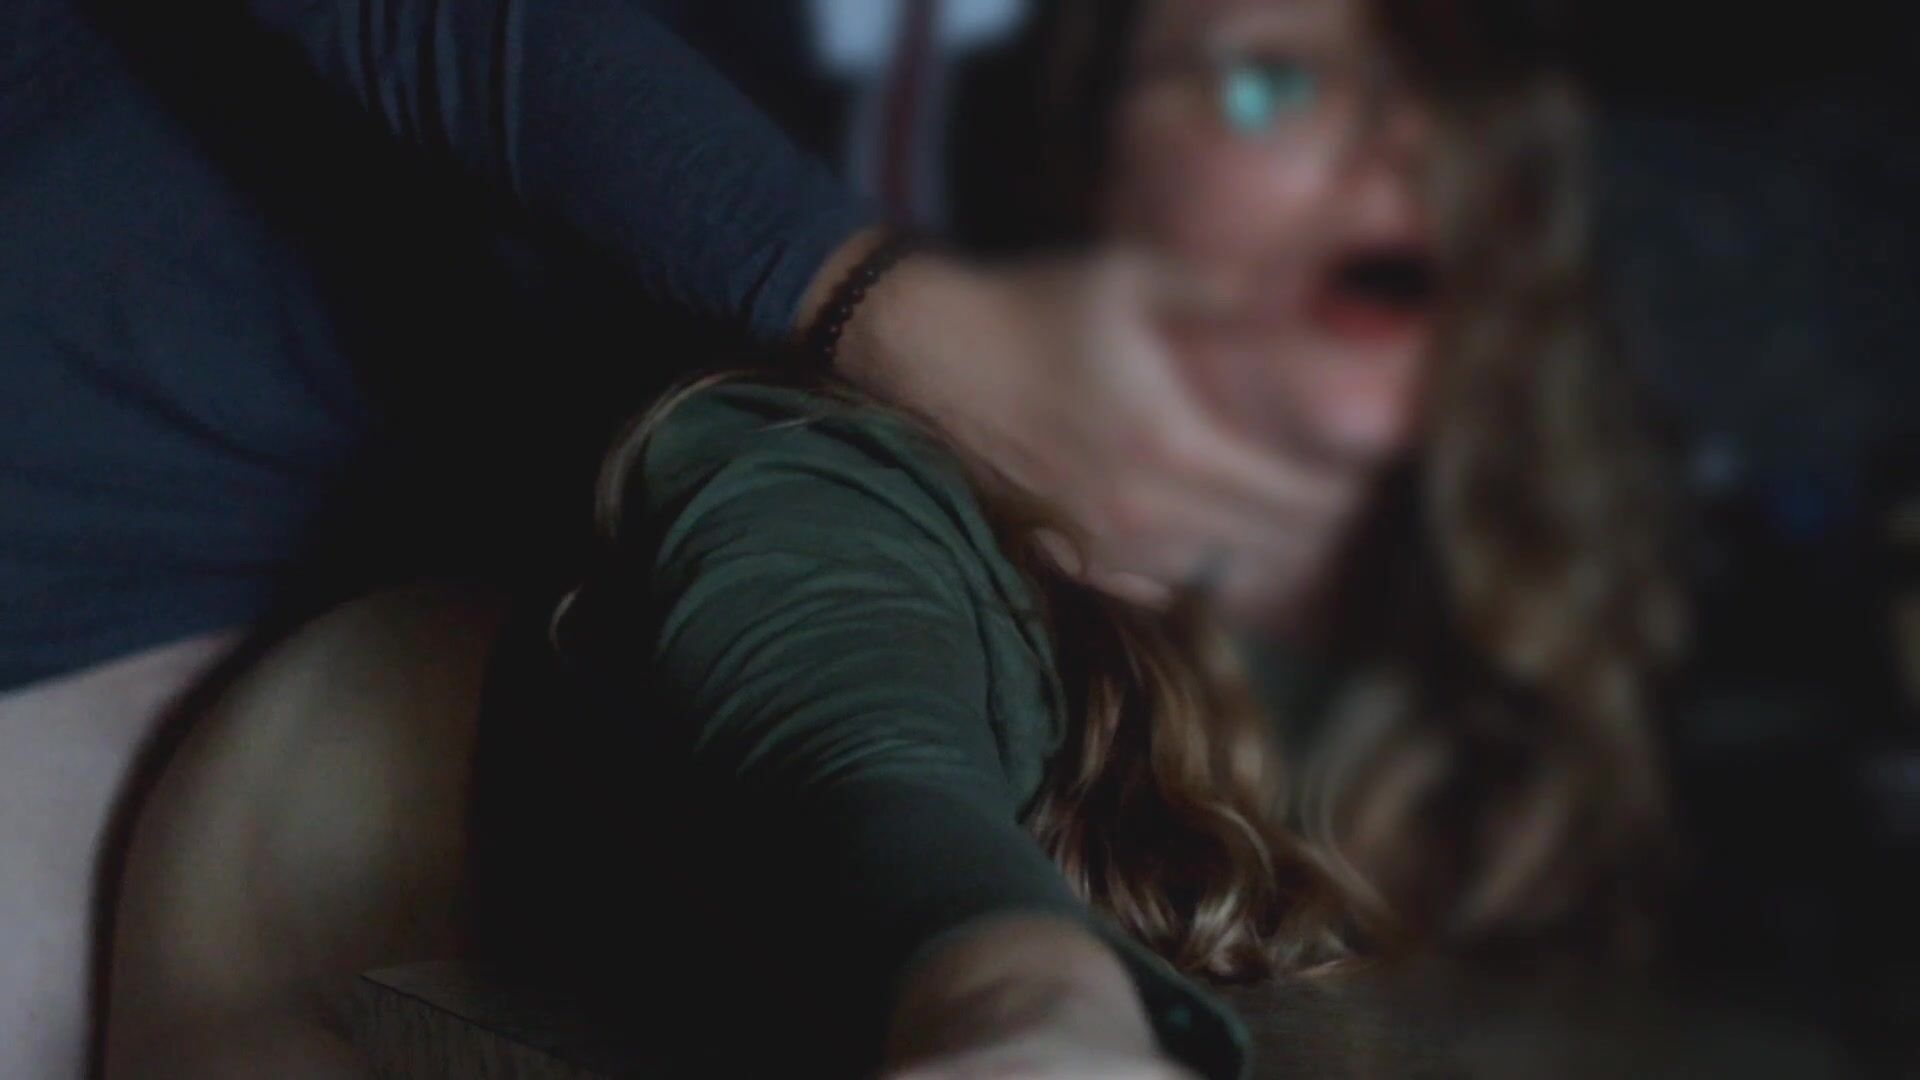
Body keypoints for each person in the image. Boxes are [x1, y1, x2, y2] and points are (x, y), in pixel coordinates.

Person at [100, 0, 1687, 1076]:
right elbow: (855, 737)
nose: (1379, 150)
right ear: (1102, 179)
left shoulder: (1500, 622)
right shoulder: (856, 486)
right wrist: (1024, 1002)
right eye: (1263, 86)